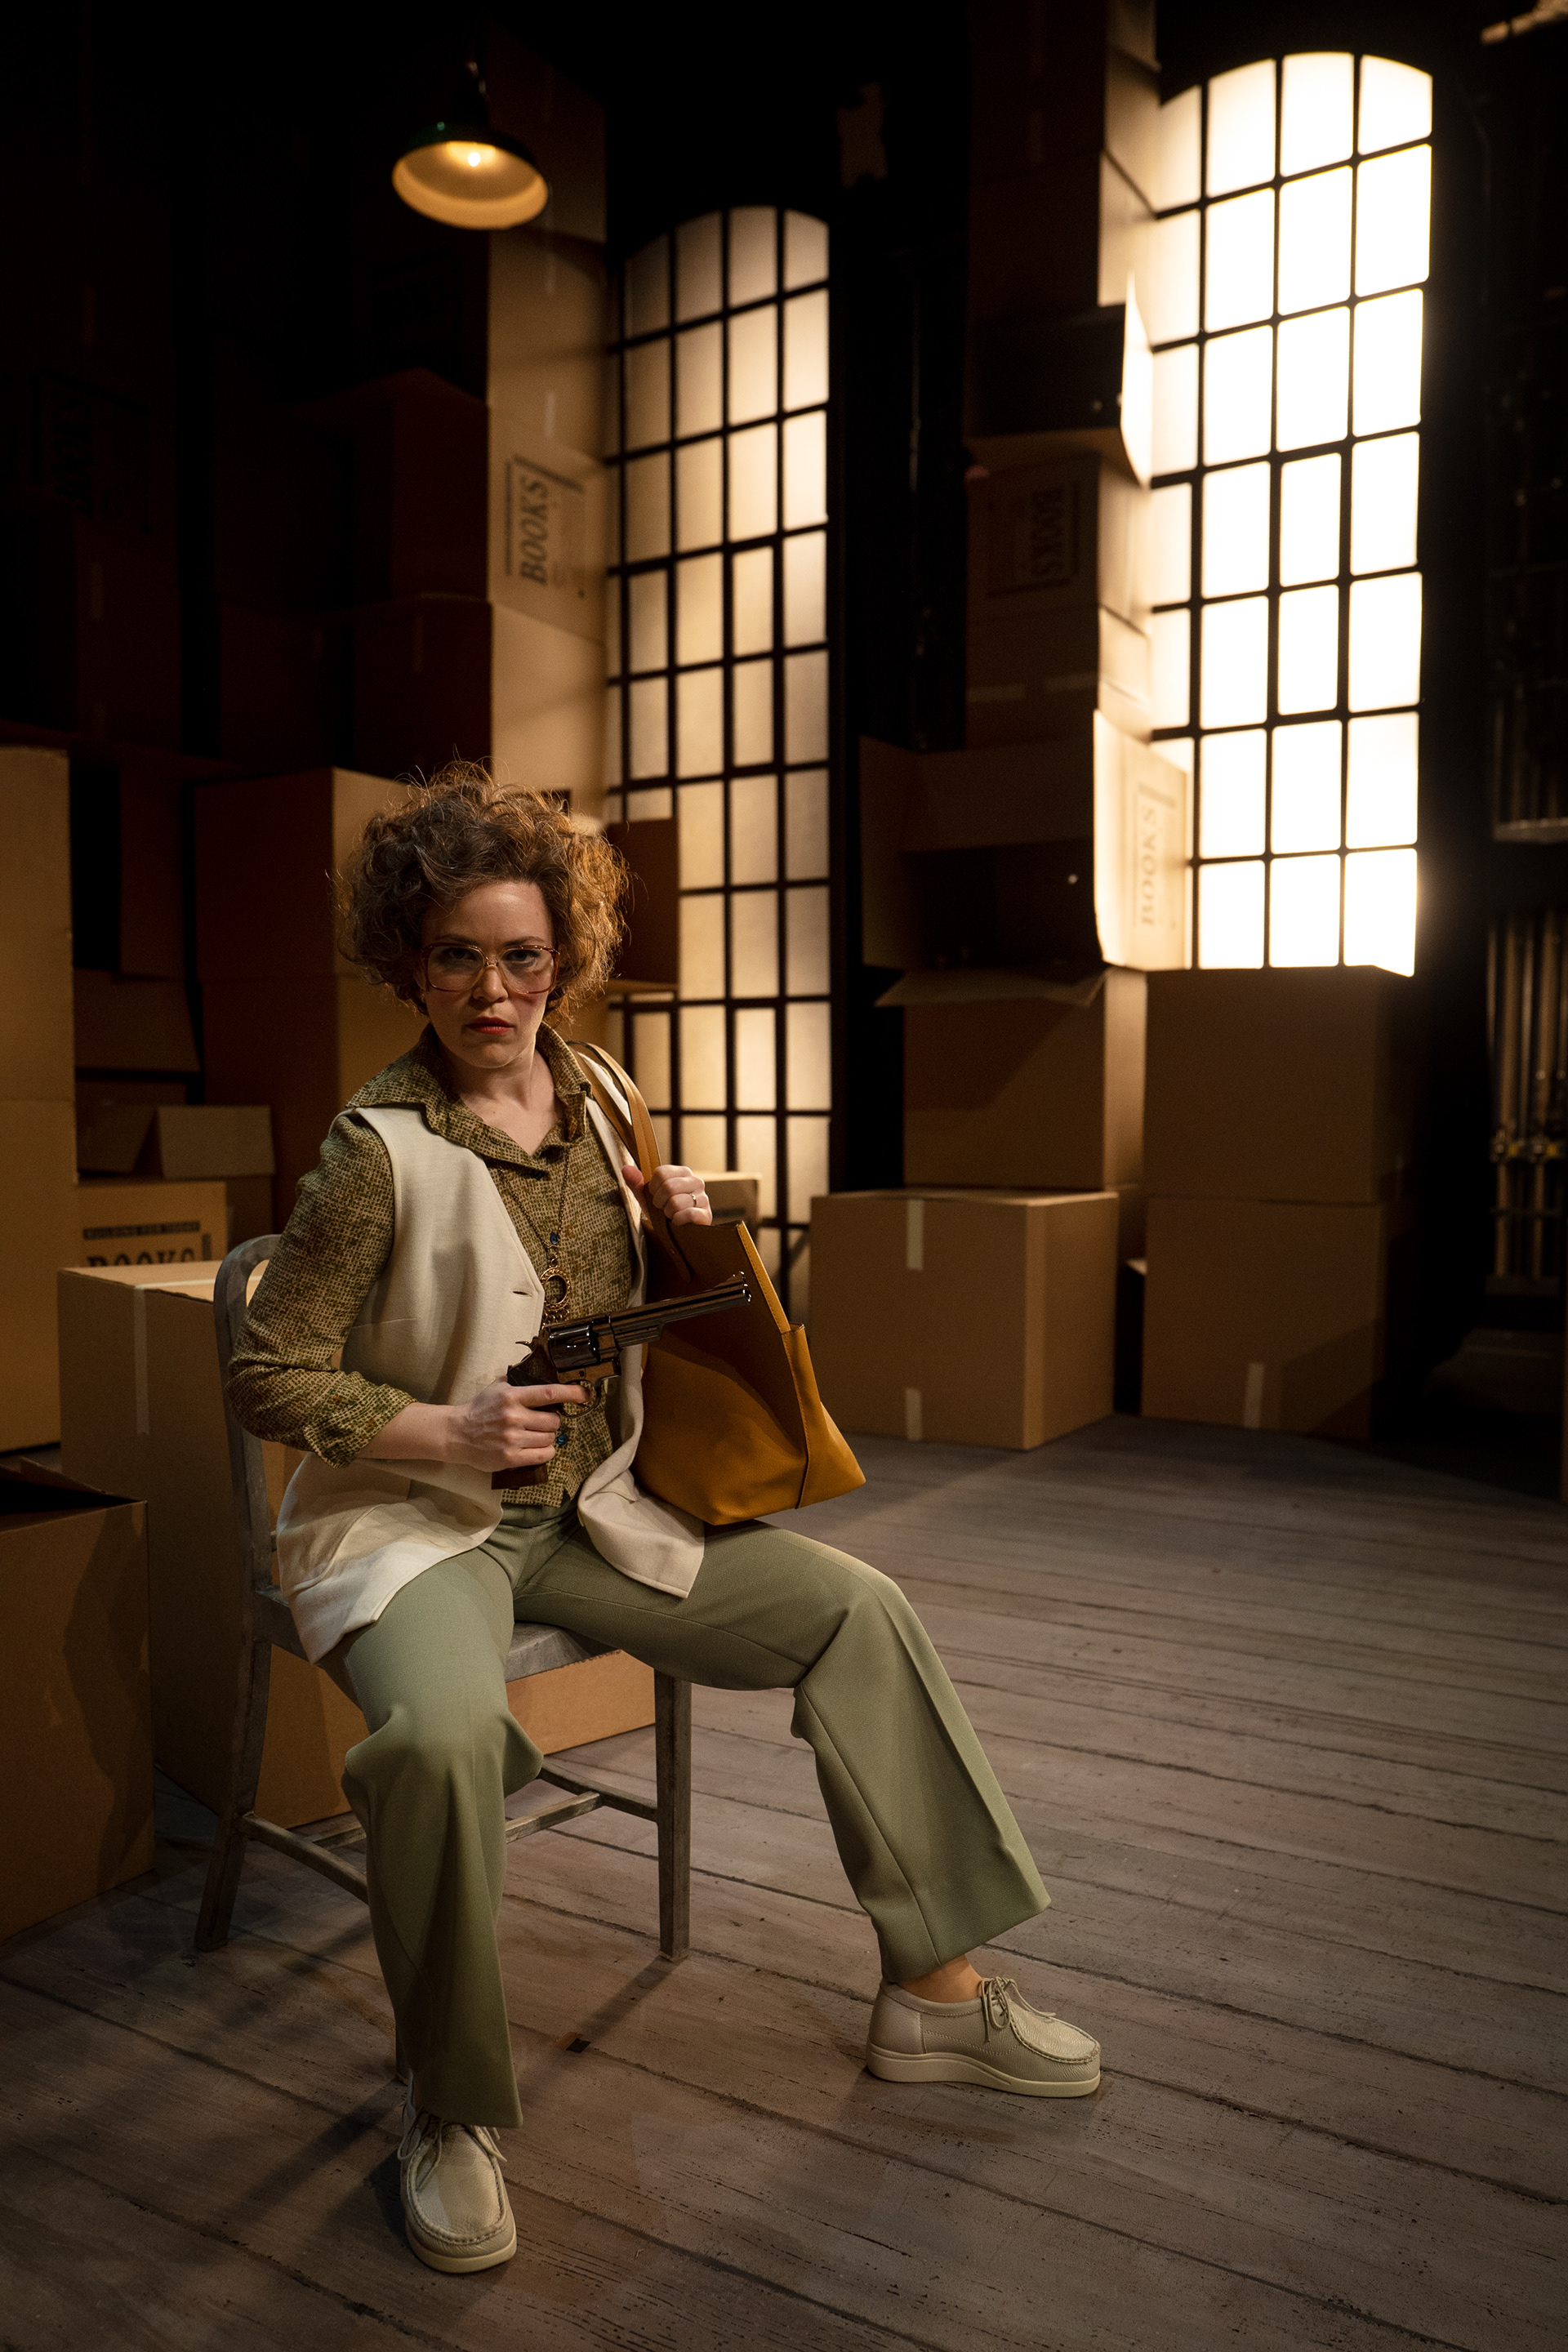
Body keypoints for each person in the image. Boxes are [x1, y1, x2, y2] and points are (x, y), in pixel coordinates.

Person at [228, 764, 1100, 2276]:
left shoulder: (605, 1093)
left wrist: (683, 1224)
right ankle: (450, 2106)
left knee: (858, 1611)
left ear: (560, 958)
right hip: (421, 1522)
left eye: (521, 955)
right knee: (438, 1744)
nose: (492, 991)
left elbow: (623, 1302)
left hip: (598, 1507)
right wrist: (448, 1428)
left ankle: (935, 1996)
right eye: (455, 956)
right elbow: (267, 1369)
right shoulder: (375, 1151)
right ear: (407, 964)